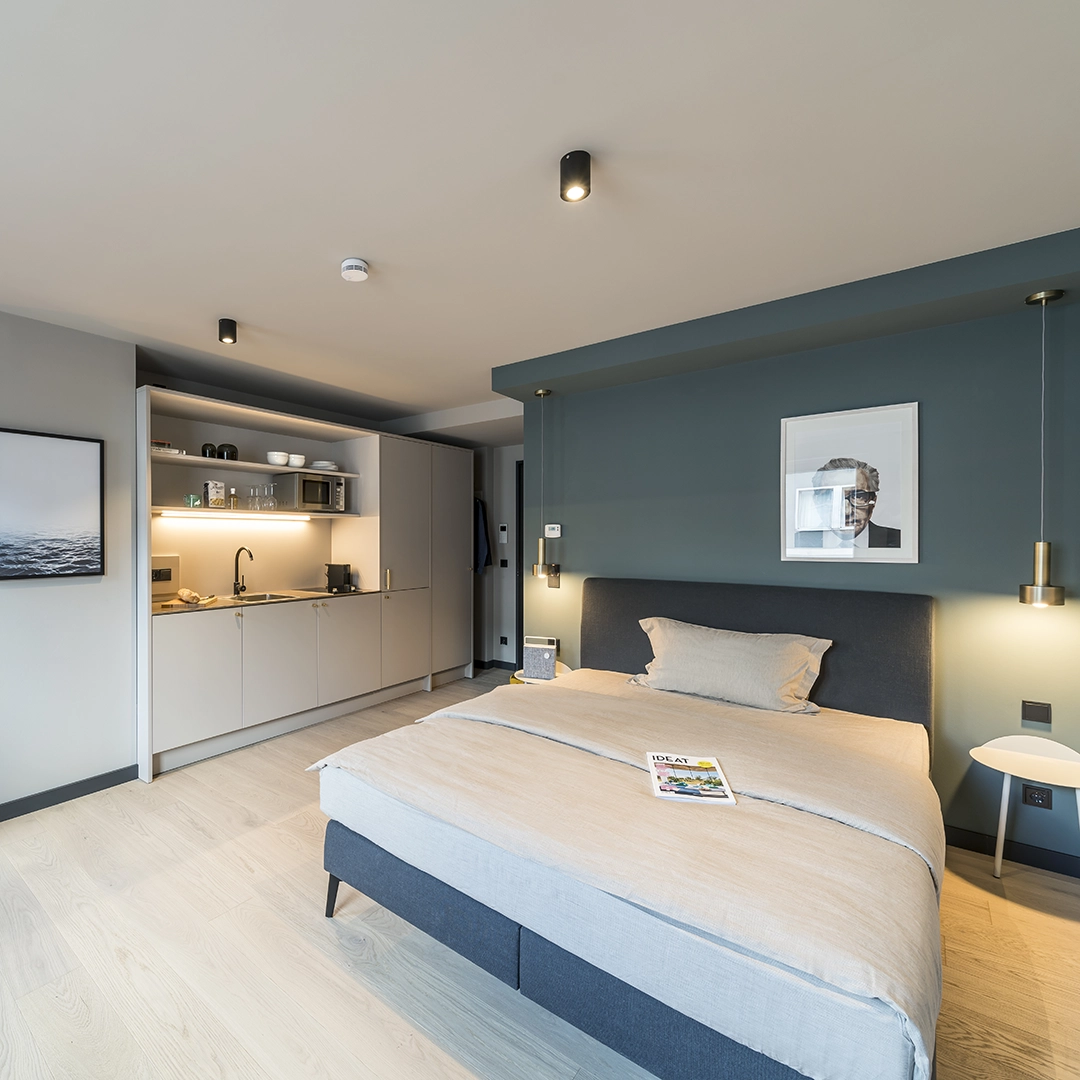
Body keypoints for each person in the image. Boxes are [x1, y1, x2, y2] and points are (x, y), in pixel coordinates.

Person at [794, 457, 900, 549]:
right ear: (816, 501)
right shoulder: (798, 541)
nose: (846, 511)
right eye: (832, 496)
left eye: (857, 496)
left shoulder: (898, 540)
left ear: (873, 501)